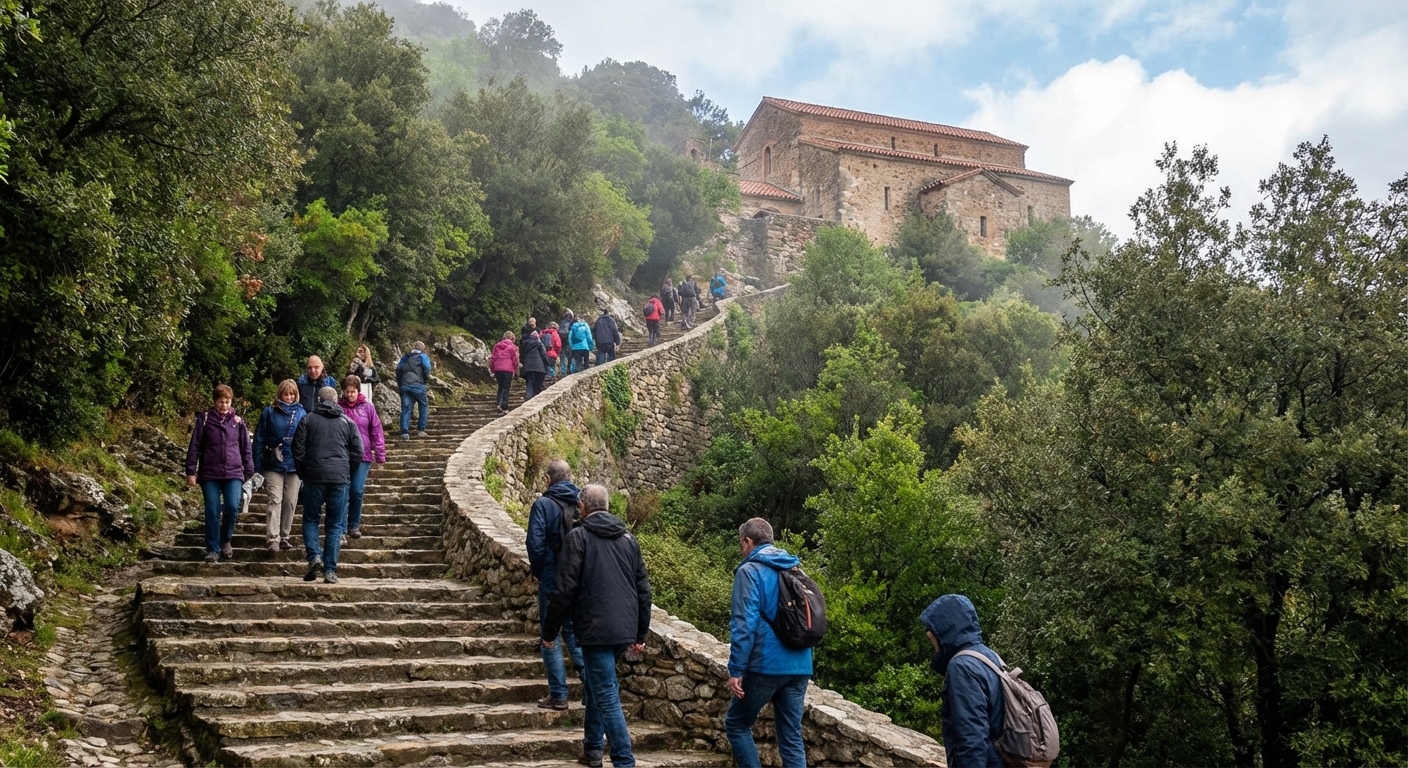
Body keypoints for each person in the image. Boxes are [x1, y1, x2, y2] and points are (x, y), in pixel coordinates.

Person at [542, 484, 651, 768]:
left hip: (595, 628)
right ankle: (592, 750)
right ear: (608, 506)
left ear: (583, 508)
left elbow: (563, 589)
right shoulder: (629, 539)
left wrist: (549, 631)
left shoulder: (579, 537)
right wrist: (640, 632)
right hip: (623, 629)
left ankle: (624, 760)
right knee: (595, 688)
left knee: (605, 693)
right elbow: (643, 590)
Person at [724, 517, 813, 768]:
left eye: (741, 544)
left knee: (737, 723)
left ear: (748, 541)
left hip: (765, 664)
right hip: (800, 663)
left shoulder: (749, 571)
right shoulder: (795, 568)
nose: (741, 550)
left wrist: (736, 669)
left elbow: (744, 624)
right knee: (791, 736)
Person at [525, 460, 584, 711]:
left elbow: (535, 544)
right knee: (572, 633)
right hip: (578, 580)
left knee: (550, 635)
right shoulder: (582, 504)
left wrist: (542, 571)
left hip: (552, 579)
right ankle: (592, 686)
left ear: (548, 480)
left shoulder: (543, 504)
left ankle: (559, 694)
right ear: (569, 478)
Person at [921, 594, 1005, 768]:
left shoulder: (962, 667)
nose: (928, 633)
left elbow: (972, 738)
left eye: (933, 628)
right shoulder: (988, 656)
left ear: (946, 630)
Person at [292, 386, 363, 584]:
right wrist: (348, 472)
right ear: (337, 400)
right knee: (334, 525)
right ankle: (330, 571)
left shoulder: (307, 420)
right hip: (339, 478)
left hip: (314, 476)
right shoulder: (348, 422)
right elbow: (358, 450)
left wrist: (303, 472)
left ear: (319, 400)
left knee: (310, 520)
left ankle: (314, 556)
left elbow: (297, 449)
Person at [185, 385, 255, 564]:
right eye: (220, 402)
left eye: (227, 401)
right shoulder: (205, 420)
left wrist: (249, 469)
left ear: (231, 401)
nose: (224, 405)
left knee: (232, 507)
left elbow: (246, 447)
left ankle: (225, 540)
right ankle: (213, 549)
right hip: (209, 473)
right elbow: (195, 446)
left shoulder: (238, 422)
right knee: (213, 510)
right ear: (214, 401)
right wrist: (190, 470)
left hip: (233, 472)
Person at [251, 380, 305, 554]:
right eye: (285, 394)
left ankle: (285, 535)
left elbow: (306, 441)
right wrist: (257, 467)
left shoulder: (301, 413)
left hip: (295, 464)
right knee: (275, 499)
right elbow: (259, 439)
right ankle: (273, 538)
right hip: (273, 463)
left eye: (291, 394)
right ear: (280, 395)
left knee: (290, 501)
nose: (289, 398)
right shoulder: (269, 412)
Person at [338, 375, 385, 541]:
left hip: (363, 455)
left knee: (356, 491)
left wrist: (380, 454)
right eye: (347, 391)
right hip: (343, 456)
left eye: (353, 391)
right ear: (343, 392)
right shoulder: (338, 408)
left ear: (359, 391)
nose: (350, 394)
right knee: (343, 491)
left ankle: (354, 524)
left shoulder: (368, 407)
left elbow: (377, 431)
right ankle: (341, 528)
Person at [396, 342, 433, 439]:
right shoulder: (422, 356)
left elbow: (398, 369)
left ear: (414, 347)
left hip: (405, 386)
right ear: (423, 348)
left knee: (406, 408)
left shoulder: (406, 357)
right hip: (418, 385)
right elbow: (427, 368)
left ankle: (404, 432)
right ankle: (421, 429)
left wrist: (401, 383)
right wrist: (425, 378)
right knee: (423, 405)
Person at [490, 331, 519, 414]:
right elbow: (515, 359)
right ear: (512, 339)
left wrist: (492, 369)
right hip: (507, 369)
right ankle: (504, 406)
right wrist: (515, 369)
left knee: (500, 386)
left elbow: (493, 358)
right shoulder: (512, 347)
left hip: (498, 369)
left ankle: (498, 403)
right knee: (506, 388)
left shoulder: (497, 346)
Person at [520, 330, 551, 400]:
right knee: (538, 384)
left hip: (528, 367)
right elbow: (543, 355)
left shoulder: (524, 344)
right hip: (539, 367)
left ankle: (529, 396)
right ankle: (537, 397)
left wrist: (523, 364)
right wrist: (547, 363)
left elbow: (522, 355)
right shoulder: (539, 343)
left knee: (529, 382)